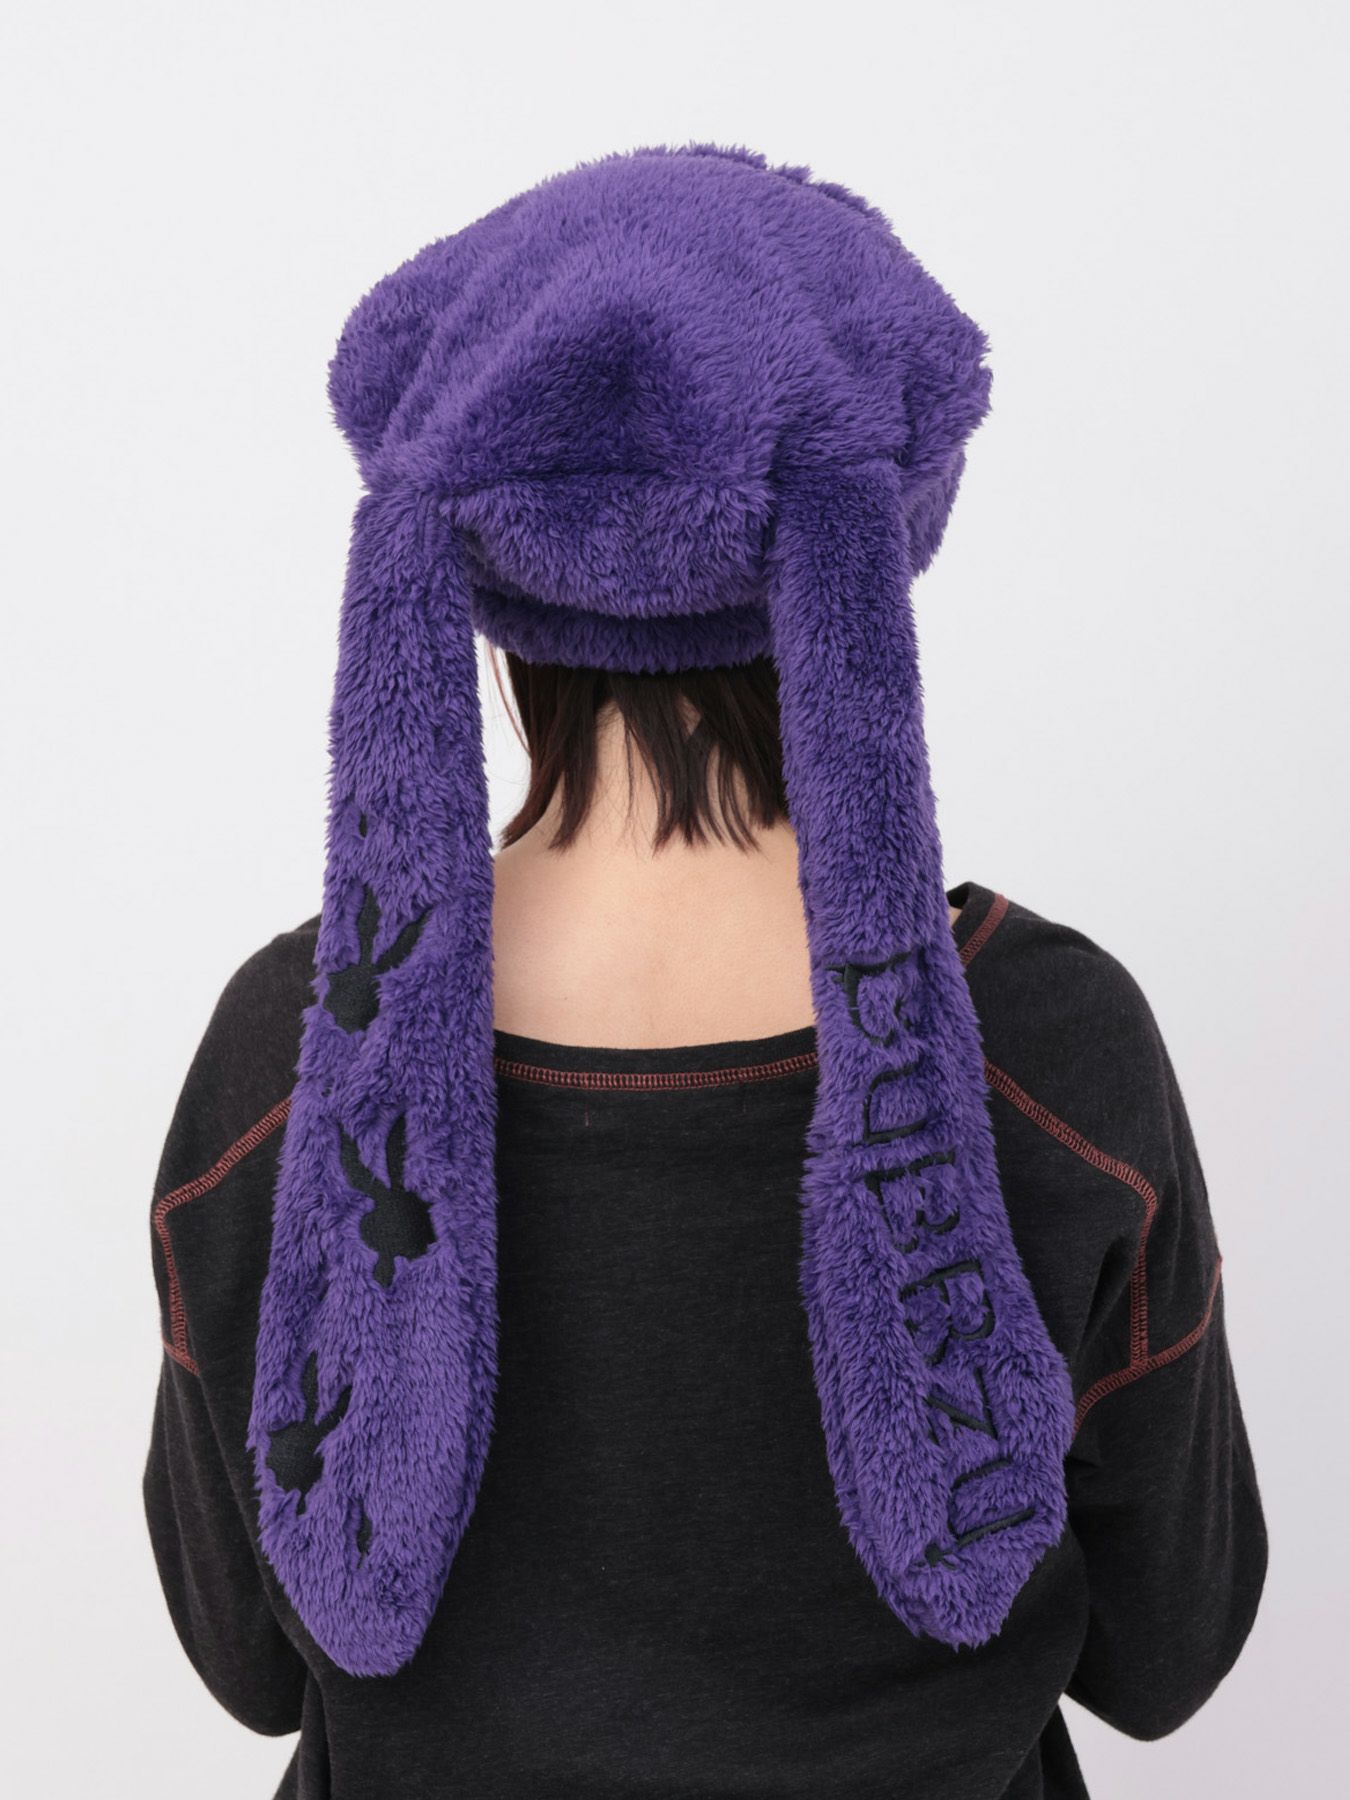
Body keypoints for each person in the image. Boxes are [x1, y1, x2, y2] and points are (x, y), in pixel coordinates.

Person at [143, 146, 1267, 1800]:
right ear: (875, 555)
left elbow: (247, 1652)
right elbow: (1168, 1652)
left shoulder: (297, 1048)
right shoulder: (1046, 1041)